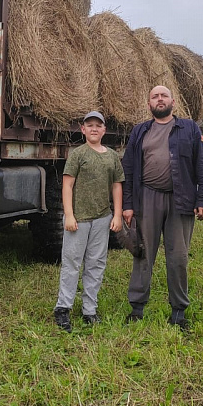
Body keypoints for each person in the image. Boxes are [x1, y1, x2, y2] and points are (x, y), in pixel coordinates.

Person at [122, 85, 203, 331]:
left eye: (164, 95)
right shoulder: (139, 131)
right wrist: (128, 205)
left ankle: (178, 312)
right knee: (143, 254)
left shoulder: (189, 129)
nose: (159, 99)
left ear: (173, 102)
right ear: (148, 104)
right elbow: (128, 170)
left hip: (181, 200)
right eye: (155, 96)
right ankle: (137, 308)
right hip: (147, 199)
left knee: (178, 257)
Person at [53, 111, 125, 332]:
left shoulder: (111, 156)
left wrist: (118, 214)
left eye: (98, 125)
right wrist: (70, 214)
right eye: (89, 125)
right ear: (82, 129)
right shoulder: (78, 154)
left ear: (104, 130)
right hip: (79, 219)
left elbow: (116, 186)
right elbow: (67, 186)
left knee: (96, 263)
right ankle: (63, 307)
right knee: (72, 262)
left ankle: (89, 309)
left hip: (102, 218)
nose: (94, 129)